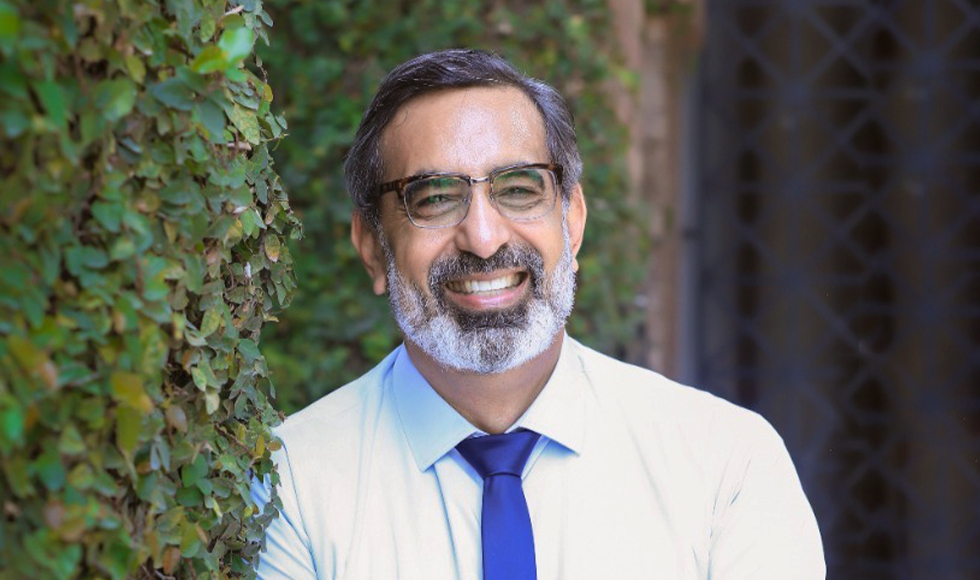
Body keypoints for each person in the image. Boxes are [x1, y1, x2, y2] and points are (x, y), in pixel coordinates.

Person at [251, 49, 825, 580]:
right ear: (373, 246)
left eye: (519, 189)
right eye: (434, 197)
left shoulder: (727, 463)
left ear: (571, 222)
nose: (482, 237)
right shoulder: (293, 485)